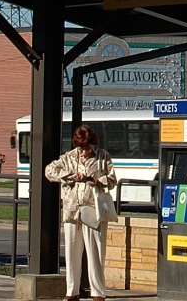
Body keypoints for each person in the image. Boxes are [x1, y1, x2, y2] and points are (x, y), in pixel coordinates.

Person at [44, 124, 117, 301]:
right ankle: (72, 291)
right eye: (81, 147)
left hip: (93, 209)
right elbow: (49, 170)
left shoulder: (102, 156)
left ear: (93, 144)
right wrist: (69, 175)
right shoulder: (69, 158)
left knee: (96, 253)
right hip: (72, 209)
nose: (84, 152)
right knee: (72, 252)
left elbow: (113, 179)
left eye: (87, 147)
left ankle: (98, 292)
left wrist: (97, 181)